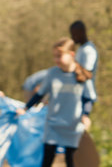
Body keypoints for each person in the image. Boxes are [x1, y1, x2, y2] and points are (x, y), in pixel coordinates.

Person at [16, 37, 95, 167]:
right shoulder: (52, 74)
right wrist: (25, 108)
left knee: (71, 161)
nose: (56, 60)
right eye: (54, 56)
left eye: (59, 56)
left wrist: (86, 115)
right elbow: (40, 94)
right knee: (47, 160)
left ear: (71, 55)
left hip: (73, 126)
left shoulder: (82, 75)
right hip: (53, 124)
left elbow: (88, 98)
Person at [69, 20, 98, 103]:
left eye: (74, 34)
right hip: (78, 93)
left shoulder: (89, 50)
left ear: (82, 32)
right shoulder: (81, 48)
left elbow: (88, 74)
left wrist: (72, 62)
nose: (72, 37)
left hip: (86, 95)